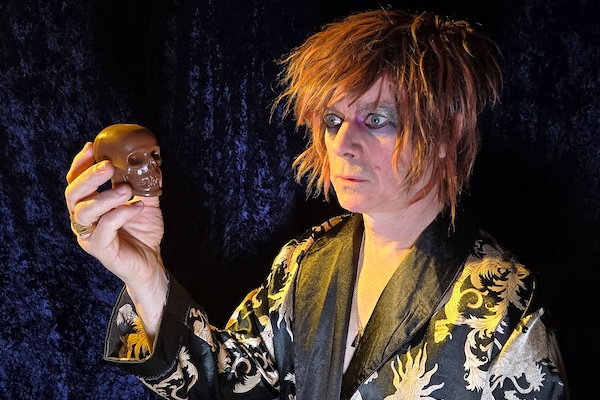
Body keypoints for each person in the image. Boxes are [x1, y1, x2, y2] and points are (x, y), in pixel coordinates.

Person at [64, 8, 570, 400]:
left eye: (376, 120)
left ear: (445, 134)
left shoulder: (507, 314)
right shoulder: (305, 261)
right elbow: (223, 386)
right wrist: (146, 273)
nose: (342, 144)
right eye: (333, 120)